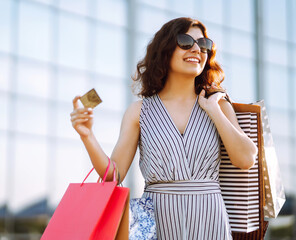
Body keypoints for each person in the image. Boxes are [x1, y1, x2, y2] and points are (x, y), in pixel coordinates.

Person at [70, 17, 257, 240]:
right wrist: (88, 136)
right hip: (157, 220)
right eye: (186, 41)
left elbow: (246, 159)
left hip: (211, 219)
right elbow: (114, 175)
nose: (197, 49)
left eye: (204, 44)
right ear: (165, 49)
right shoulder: (139, 111)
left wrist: (213, 110)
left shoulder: (218, 105)